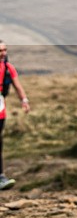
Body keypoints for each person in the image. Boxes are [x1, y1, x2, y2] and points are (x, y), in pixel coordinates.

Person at [0, 41, 31, 190]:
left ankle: (1, 177)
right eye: (0, 50)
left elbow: (17, 85)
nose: (3, 53)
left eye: (5, 50)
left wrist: (24, 101)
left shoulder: (7, 68)